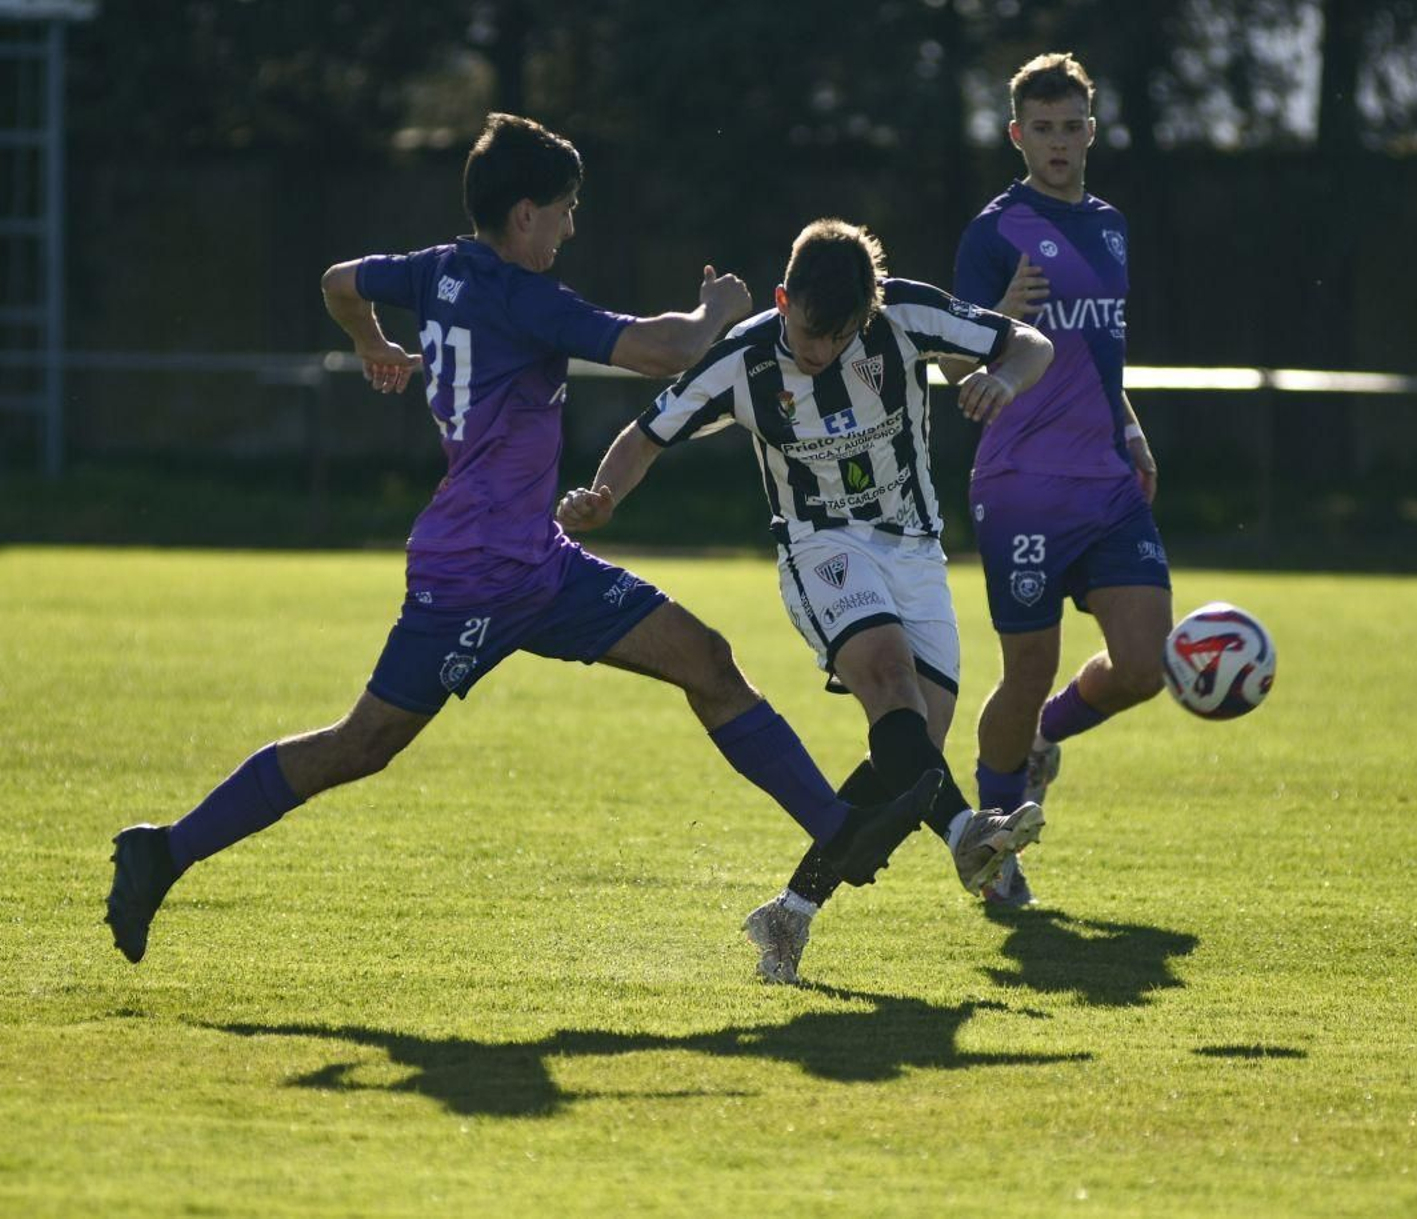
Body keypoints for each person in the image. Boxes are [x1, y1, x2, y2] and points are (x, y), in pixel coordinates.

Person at [103, 115, 942, 966]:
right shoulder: (523, 297)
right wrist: (717, 308)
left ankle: (841, 831)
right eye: (568, 210)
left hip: (535, 562)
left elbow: (337, 280)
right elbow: (665, 352)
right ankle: (163, 849)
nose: (573, 228)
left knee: (708, 660)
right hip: (472, 575)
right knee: (363, 742)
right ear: (526, 214)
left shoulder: (435, 269)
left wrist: (373, 345)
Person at [557, 218, 1056, 984]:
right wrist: (604, 496)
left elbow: (1029, 343)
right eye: (805, 329)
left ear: (868, 313)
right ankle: (967, 829)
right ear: (783, 298)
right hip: (821, 547)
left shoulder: (904, 318)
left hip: (916, 551)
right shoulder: (746, 359)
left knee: (908, 765)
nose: (817, 350)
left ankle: (791, 913)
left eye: (837, 335)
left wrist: (1005, 378)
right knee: (889, 684)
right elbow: (646, 432)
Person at [952, 53, 1171, 908]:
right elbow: (947, 362)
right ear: (1017, 136)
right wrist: (999, 317)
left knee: (1145, 665)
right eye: (1041, 128)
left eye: (1072, 125)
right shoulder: (993, 232)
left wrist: (1133, 431)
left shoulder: (1112, 226)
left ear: (1092, 128)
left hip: (1108, 481)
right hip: (1023, 484)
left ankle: (1046, 736)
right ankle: (997, 846)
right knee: (1027, 666)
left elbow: (1098, 354)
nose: (1058, 141)